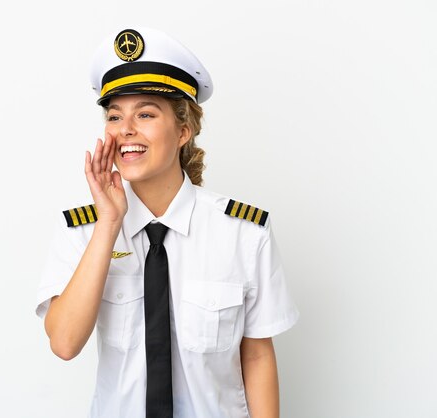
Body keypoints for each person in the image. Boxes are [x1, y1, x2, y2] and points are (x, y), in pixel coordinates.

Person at [35, 26, 299, 418]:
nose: (125, 129)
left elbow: (257, 356)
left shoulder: (244, 232)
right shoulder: (83, 231)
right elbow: (64, 343)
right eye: (114, 115)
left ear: (183, 130)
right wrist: (109, 223)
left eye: (145, 113)